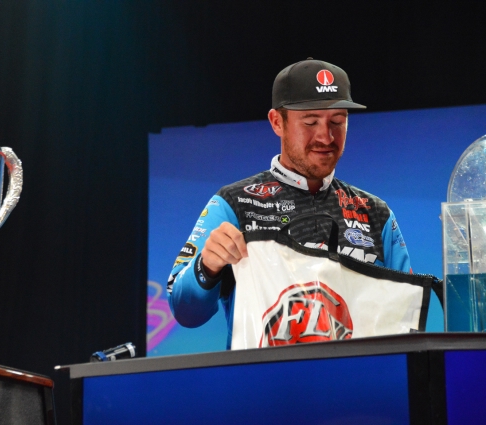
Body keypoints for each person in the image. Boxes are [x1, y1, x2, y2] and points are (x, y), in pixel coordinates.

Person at [167, 58, 412, 349]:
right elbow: (184, 312)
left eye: (338, 121)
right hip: (265, 377)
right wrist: (207, 266)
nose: (326, 136)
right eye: (310, 122)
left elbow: (406, 319)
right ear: (276, 122)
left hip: (357, 376)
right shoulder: (234, 203)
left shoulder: (375, 213)